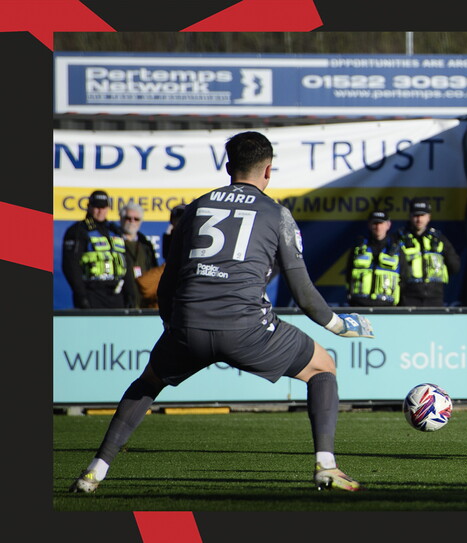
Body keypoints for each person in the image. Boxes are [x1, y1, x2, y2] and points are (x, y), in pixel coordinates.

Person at [69, 131, 375, 494]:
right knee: (323, 368)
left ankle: (95, 471)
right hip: (248, 330)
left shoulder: (195, 208)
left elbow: (167, 283)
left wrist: (174, 325)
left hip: (188, 326)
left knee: (148, 382)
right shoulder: (277, 214)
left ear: (229, 167)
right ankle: (326, 466)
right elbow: (304, 294)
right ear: (268, 172)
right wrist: (340, 325)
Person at [61, 189, 136, 309]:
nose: (100, 211)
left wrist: (130, 294)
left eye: (104, 207)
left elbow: (124, 262)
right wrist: (81, 295)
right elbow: (71, 266)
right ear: (89, 206)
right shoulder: (78, 231)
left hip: (117, 293)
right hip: (92, 292)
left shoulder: (115, 230)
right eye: (96, 207)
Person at [397, 197, 460, 307]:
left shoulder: (439, 239)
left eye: (422, 215)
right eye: (416, 215)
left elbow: (455, 266)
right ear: (410, 216)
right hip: (408, 296)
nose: (419, 219)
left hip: (435, 296)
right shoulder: (399, 239)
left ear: (429, 217)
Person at [345, 210, 405, 306]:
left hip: (387, 306)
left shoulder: (397, 250)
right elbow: (348, 275)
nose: (378, 227)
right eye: (375, 223)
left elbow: (403, 279)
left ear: (388, 225)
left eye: (381, 223)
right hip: (360, 304)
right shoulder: (358, 247)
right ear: (369, 225)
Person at [136, 204, 186, 309]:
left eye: (185, 220)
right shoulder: (165, 267)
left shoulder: (195, 245)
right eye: (177, 221)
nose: (181, 225)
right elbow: (144, 285)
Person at [119, 202, 159, 309]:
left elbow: (153, 271)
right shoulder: (113, 241)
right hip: (121, 300)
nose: (132, 221)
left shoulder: (146, 244)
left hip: (144, 301)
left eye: (136, 219)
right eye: (128, 218)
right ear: (121, 219)